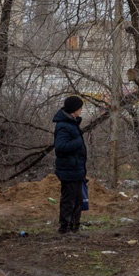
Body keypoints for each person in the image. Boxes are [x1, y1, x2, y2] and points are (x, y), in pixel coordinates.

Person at [53, 95, 88, 235]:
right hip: (69, 170)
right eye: (79, 107)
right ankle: (65, 229)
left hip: (76, 169)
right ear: (74, 109)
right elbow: (60, 147)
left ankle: (75, 228)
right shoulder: (63, 126)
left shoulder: (72, 123)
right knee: (69, 200)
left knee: (78, 200)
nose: (81, 110)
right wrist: (78, 143)